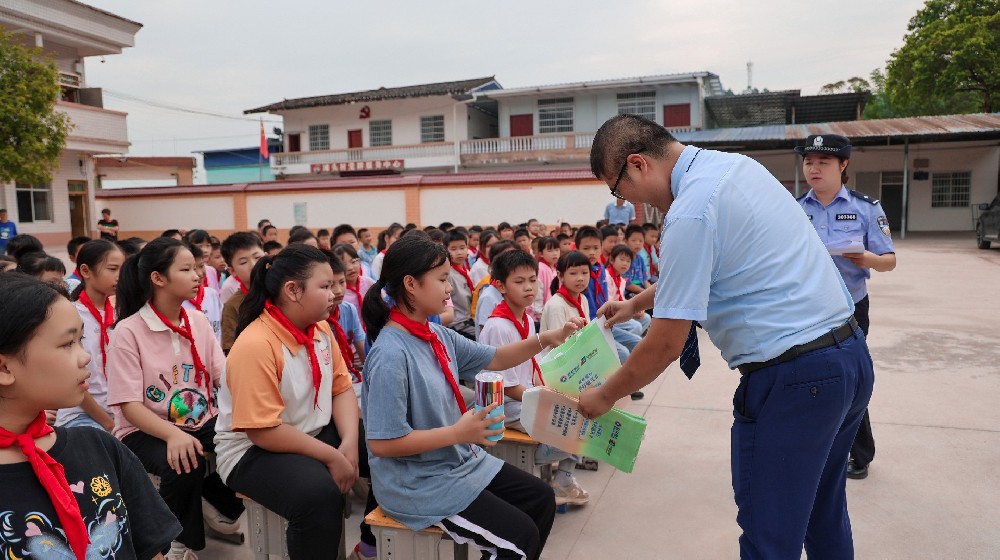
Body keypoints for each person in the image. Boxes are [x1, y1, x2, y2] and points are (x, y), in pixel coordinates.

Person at [578, 114, 873, 559]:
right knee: (821, 513)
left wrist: (603, 396)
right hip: (846, 360)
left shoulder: (691, 210)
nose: (628, 201)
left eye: (619, 190)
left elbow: (664, 345)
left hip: (796, 383)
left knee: (769, 536)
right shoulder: (734, 168)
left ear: (638, 164)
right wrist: (636, 304)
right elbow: (709, 262)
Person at [360, 235, 583, 560]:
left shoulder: (435, 333)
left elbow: (495, 358)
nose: (450, 288)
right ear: (411, 284)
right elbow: (382, 444)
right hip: (417, 482)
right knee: (520, 537)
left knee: (540, 498)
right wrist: (458, 433)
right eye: (441, 279)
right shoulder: (390, 354)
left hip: (456, 461)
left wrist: (548, 337)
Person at [0, 274, 180, 559]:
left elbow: (151, 551)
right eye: (67, 343)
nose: (85, 357)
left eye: (81, 340)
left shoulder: (101, 448)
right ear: (4, 369)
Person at [214, 245, 371, 560]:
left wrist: (351, 442)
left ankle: (370, 547)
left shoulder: (320, 329)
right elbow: (263, 431)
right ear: (292, 290)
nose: (334, 294)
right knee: (318, 496)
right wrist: (333, 456)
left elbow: (341, 389)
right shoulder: (256, 344)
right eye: (324, 286)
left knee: (390, 448)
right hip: (252, 450)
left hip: (310, 430)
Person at [107, 237, 244, 559]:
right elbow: (128, 406)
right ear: (158, 278)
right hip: (144, 428)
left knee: (252, 436)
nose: (198, 275)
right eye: (186, 269)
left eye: (197, 268)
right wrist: (172, 434)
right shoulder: (128, 331)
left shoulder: (196, 320)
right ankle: (171, 544)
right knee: (183, 463)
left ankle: (213, 498)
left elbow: (221, 374)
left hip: (198, 418)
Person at [796, 133, 896, 481]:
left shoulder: (865, 208)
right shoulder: (794, 210)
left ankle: (860, 453)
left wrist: (864, 257)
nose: (814, 168)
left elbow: (889, 261)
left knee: (849, 382)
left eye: (823, 162)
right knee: (807, 380)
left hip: (850, 308)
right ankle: (815, 451)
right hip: (807, 309)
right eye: (809, 161)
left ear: (843, 165)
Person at [478, 251, 590, 505]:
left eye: (532, 280)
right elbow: (504, 386)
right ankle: (530, 465)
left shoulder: (526, 319)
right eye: (519, 282)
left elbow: (531, 369)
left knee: (585, 409)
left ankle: (562, 475)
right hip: (504, 404)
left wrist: (553, 392)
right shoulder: (498, 326)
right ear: (500, 286)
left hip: (525, 395)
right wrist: (546, 398)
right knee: (574, 425)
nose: (529, 287)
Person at [56, 239, 125, 432]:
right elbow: (71, 379)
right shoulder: (69, 314)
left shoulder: (122, 313)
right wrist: (108, 423)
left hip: (121, 412)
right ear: (86, 271)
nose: (119, 276)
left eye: (122, 269)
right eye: (112, 269)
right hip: (79, 413)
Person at [219, 232, 265, 353]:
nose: (254, 265)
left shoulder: (285, 291)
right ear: (232, 271)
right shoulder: (232, 306)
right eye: (243, 262)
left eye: (258, 258)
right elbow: (231, 350)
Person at [540, 251, 591, 332]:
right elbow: (558, 342)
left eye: (584, 272)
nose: (580, 278)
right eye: (573, 273)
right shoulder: (556, 306)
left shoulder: (583, 299)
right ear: (560, 275)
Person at [182, 245, 223, 342]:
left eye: (201, 266)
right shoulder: (178, 300)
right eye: (192, 268)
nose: (200, 273)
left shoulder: (211, 294)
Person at [444, 230, 477, 339]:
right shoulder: (448, 274)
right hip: (457, 323)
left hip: (469, 318)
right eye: (453, 249)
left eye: (462, 248)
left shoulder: (466, 270)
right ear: (446, 250)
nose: (459, 252)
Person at [333, 243, 375, 320]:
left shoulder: (368, 282)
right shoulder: (338, 292)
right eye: (343, 264)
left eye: (353, 262)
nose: (350, 268)